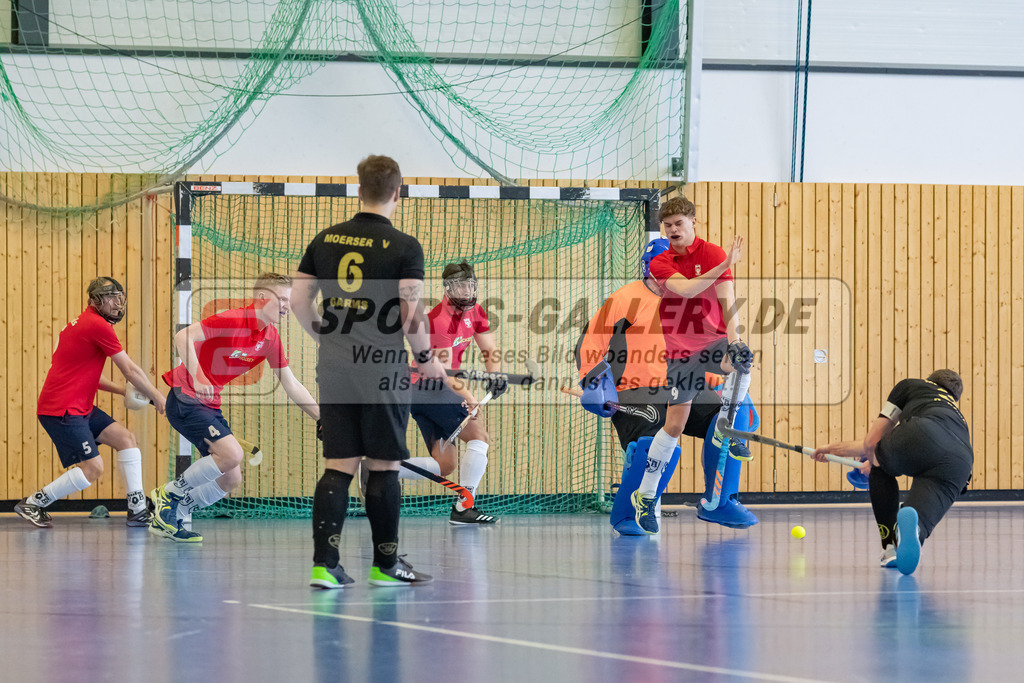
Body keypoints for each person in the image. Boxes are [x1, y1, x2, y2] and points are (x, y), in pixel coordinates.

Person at [292, 154, 447, 589]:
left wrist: (325, 337)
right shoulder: (405, 246)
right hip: (382, 368)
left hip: (336, 366)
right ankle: (386, 565)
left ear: (357, 189)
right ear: (399, 192)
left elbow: (300, 301)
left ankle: (326, 564)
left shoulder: (324, 240)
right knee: (383, 465)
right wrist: (425, 358)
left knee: (339, 465)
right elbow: (409, 309)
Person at [575, 238, 758, 533]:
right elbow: (590, 341)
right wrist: (594, 381)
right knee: (654, 445)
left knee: (738, 416)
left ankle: (719, 501)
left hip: (685, 383)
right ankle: (628, 513)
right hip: (635, 392)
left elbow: (708, 348)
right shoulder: (625, 299)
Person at [149, 273, 320, 543]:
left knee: (231, 478)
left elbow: (292, 384)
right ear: (263, 298)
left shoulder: (270, 338)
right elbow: (183, 337)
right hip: (186, 396)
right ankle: (169, 494)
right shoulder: (233, 319)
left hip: (209, 404)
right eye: (284, 299)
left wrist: (322, 418)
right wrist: (197, 375)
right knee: (231, 454)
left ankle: (172, 514)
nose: (288, 306)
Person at [628, 196, 751, 534]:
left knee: (742, 360)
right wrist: (725, 263)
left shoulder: (711, 253)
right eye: (667, 226)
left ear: (693, 222)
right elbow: (687, 289)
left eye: (678, 224)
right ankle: (647, 495)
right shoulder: (661, 261)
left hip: (712, 340)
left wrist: (736, 339)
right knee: (674, 427)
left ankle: (729, 427)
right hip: (681, 350)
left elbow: (727, 301)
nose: (672, 230)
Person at [15, 277, 167, 528]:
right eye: (110, 298)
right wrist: (158, 396)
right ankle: (34, 502)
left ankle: (137, 509)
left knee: (126, 439)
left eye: (119, 297)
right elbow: (129, 369)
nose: (117, 304)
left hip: (80, 405)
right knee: (93, 468)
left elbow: (88, 375)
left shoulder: (78, 325)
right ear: (94, 302)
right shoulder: (97, 326)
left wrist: (123, 392)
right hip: (61, 409)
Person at [813, 370, 972, 576]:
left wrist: (873, 460)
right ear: (954, 397)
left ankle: (889, 548)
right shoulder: (956, 415)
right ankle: (915, 531)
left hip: (921, 433)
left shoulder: (911, 385)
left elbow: (871, 442)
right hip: (961, 461)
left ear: (930, 380)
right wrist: (835, 449)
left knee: (879, 467)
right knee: (919, 521)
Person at [402, 260, 504, 525]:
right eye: (460, 286)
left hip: (425, 392)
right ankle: (464, 507)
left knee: (445, 465)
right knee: (478, 435)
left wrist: (496, 375)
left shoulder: (476, 312)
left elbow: (490, 349)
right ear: (447, 289)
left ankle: (384, 468)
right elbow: (444, 371)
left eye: (470, 284)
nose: (467, 290)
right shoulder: (439, 320)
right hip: (429, 387)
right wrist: (470, 398)